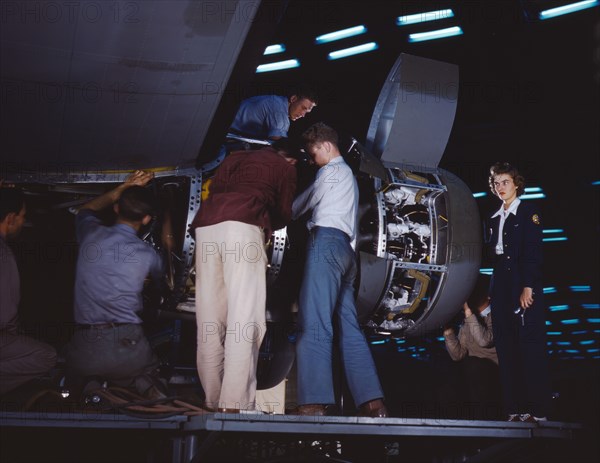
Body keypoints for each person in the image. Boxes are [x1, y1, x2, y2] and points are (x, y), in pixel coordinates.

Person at [191, 139, 298, 413]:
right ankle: (234, 405)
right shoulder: (284, 168)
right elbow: (284, 212)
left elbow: (214, 189)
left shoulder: (234, 157)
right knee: (245, 319)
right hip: (243, 229)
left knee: (209, 320)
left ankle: (213, 401)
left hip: (205, 228)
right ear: (292, 159)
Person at [291, 122, 388, 417]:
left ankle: (313, 403)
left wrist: (279, 212)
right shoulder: (350, 177)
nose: (312, 160)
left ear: (325, 146)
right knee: (349, 328)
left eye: (312, 154)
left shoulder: (330, 171)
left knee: (315, 322)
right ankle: (373, 403)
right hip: (347, 252)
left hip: (326, 244)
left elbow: (302, 205)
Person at [65, 171, 167, 400]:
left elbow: (84, 210)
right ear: (146, 219)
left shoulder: (91, 234)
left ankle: (91, 386)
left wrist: (125, 187)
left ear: (116, 209)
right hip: (128, 346)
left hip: (85, 347)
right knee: (148, 375)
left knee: (80, 379)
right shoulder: (147, 254)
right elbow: (162, 281)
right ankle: (147, 387)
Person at [485, 162, 551, 423]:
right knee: (506, 346)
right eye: (496, 183)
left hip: (522, 281)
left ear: (516, 183)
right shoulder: (492, 218)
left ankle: (539, 410)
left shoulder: (528, 212)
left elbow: (533, 251)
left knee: (530, 347)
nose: (500, 187)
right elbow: (494, 258)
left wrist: (528, 285)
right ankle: (516, 409)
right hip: (500, 282)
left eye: (505, 182)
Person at [0, 187, 57, 395]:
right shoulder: (3, 254)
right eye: (22, 217)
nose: (23, 222)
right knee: (46, 356)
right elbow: (5, 315)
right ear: (10, 218)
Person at [443, 274, 501, 420]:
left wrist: (468, 312)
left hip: (493, 373)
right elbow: (458, 355)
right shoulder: (468, 321)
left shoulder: (498, 316)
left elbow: (484, 341)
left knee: (474, 366)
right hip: (472, 375)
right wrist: (448, 332)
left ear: (489, 296)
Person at [228, 86, 318, 142]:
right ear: (293, 99)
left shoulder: (275, 100)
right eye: (303, 108)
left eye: (307, 112)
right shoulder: (279, 112)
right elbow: (279, 142)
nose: (303, 115)